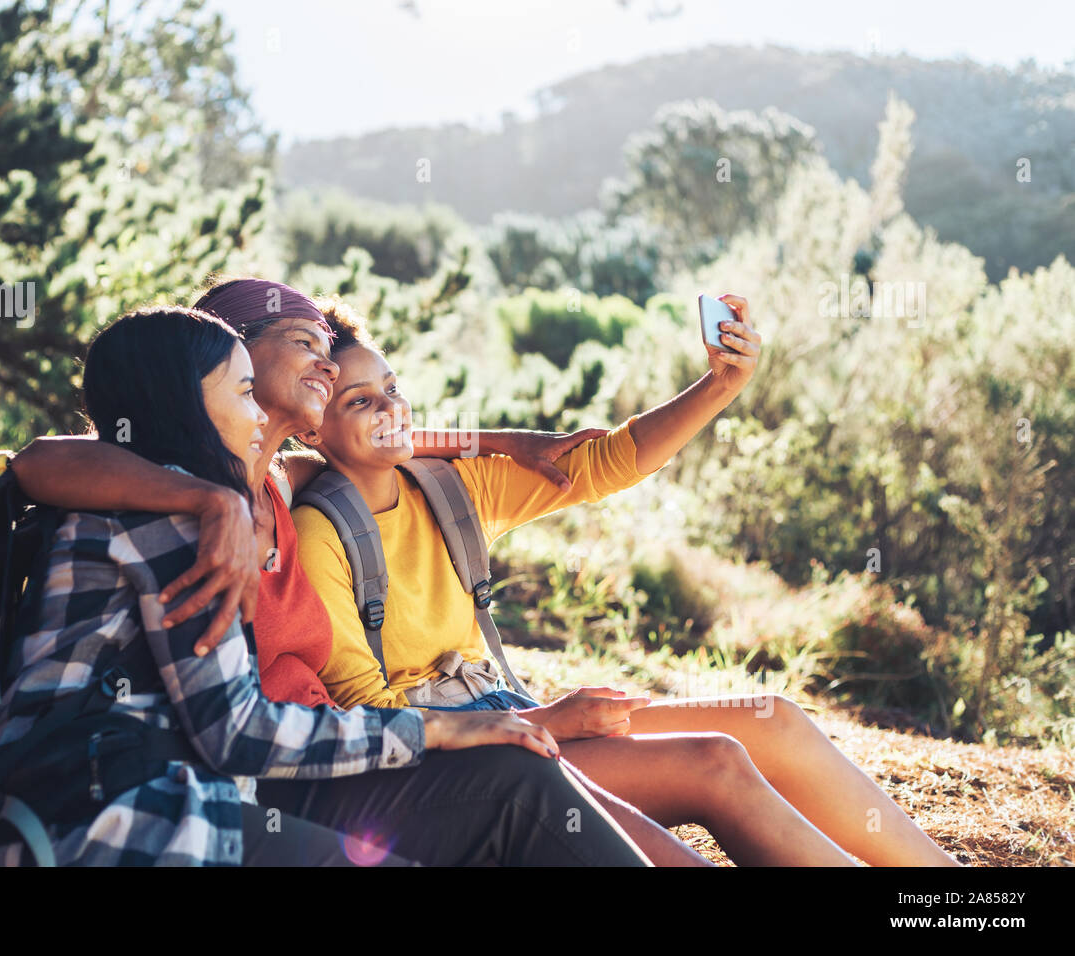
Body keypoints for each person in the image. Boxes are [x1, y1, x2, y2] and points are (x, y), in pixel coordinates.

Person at [10, 279, 706, 865]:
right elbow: (36, 459)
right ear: (209, 377)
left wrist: (497, 439)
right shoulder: (173, 508)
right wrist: (440, 729)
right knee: (519, 788)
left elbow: (367, 432)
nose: (324, 368)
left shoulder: (275, 481)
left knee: (527, 782)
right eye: (255, 381)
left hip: (246, 775)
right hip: (143, 803)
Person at [289, 295, 961, 867]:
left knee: (774, 720)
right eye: (360, 400)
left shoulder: (451, 486)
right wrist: (545, 718)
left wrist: (722, 385)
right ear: (314, 425)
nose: (392, 409)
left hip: (510, 714)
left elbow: (604, 464)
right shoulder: (322, 535)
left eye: (394, 388)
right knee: (716, 763)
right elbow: (370, 717)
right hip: (461, 763)